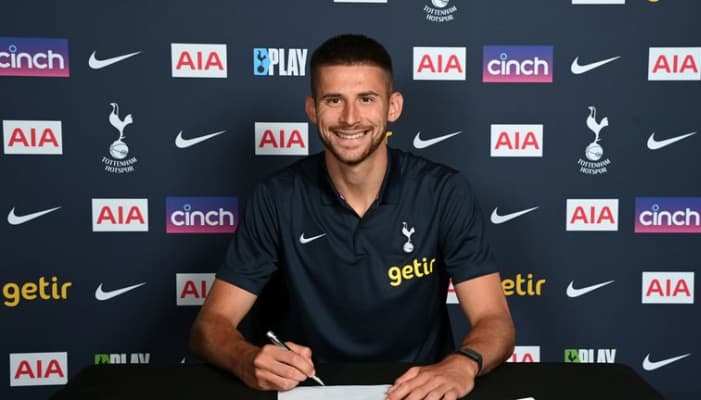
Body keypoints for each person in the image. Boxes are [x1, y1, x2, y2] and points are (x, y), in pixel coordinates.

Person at [189, 33, 514, 400]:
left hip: (417, 390)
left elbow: (495, 320)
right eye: (333, 100)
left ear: (393, 107)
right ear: (312, 109)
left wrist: (463, 363)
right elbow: (209, 326)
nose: (349, 118)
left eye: (366, 99)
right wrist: (246, 358)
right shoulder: (277, 196)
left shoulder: (443, 191)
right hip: (307, 390)